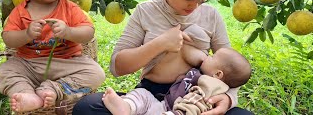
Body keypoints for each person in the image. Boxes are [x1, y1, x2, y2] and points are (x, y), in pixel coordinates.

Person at [73, 0, 252, 115]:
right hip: (151, 93)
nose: (195, 5)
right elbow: (117, 67)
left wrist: (227, 99)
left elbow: (231, 67)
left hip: (193, 98)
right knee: (87, 107)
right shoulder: (145, 11)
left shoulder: (211, 15)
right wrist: (160, 44)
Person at [0, 0, 105, 113]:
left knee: (96, 73)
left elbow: (88, 33)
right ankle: (26, 93)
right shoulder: (19, 11)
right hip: (28, 64)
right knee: (3, 71)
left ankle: (55, 89)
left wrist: (68, 31)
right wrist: (27, 34)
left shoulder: (70, 8)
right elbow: (8, 38)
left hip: (66, 63)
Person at [101, 43, 252, 115]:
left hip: (178, 111)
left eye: (212, 57)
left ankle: (128, 107)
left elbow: (194, 104)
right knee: (142, 94)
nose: (208, 56)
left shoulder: (210, 85)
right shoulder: (203, 74)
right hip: (163, 103)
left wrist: (228, 99)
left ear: (218, 74)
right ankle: (125, 107)